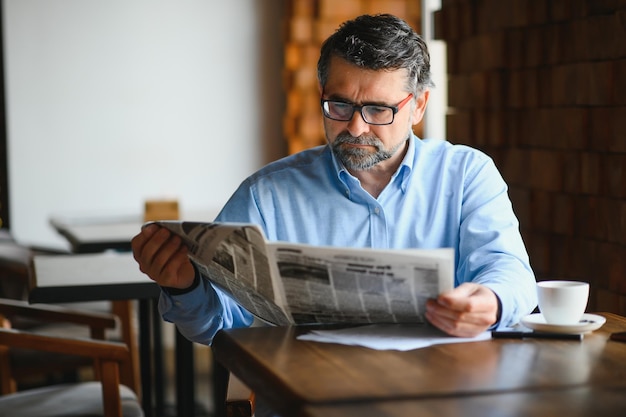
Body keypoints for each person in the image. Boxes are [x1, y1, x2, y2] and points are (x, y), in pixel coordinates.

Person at [131, 14, 537, 345]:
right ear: (322, 93)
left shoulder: (467, 174)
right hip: (308, 395)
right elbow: (216, 327)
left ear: (418, 106)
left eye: (379, 109)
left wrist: (493, 301)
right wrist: (185, 287)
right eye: (339, 105)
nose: (357, 128)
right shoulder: (266, 195)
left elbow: (509, 270)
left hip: (441, 391)